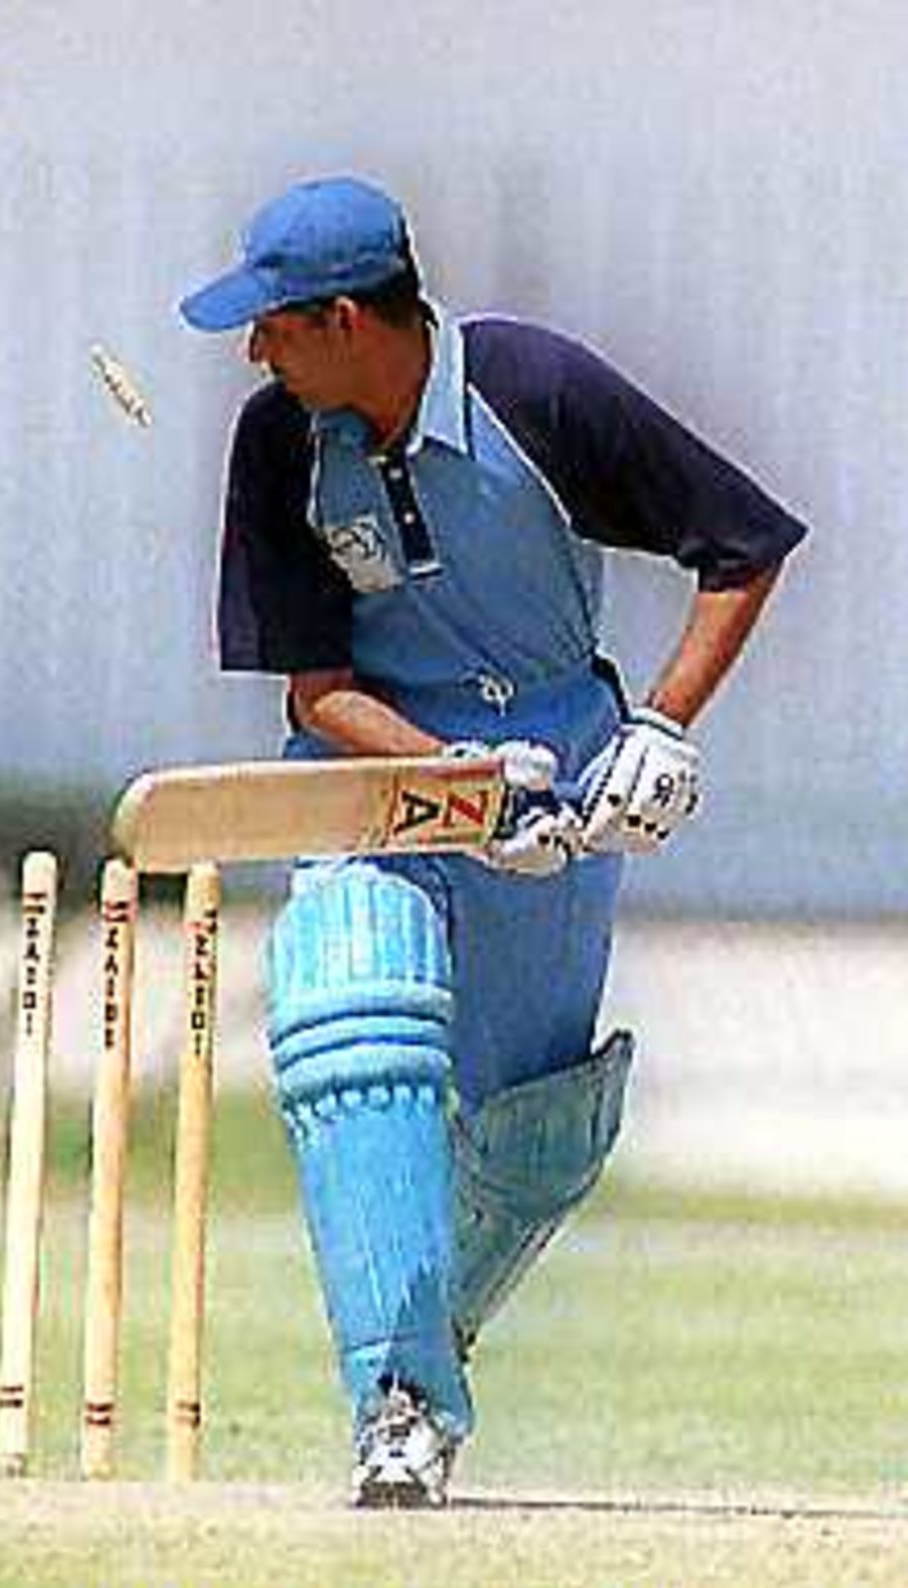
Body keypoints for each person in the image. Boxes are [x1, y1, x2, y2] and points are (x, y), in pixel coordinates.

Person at [178, 174, 806, 1508]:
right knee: (352, 1016)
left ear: (347, 319)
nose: (256, 354)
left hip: (567, 775)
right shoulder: (279, 444)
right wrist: (464, 784)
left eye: (274, 327)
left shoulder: (537, 389)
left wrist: (664, 731)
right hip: (379, 774)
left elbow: (743, 545)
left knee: (536, 1136)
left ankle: (422, 1327)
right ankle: (399, 1397)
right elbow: (316, 689)